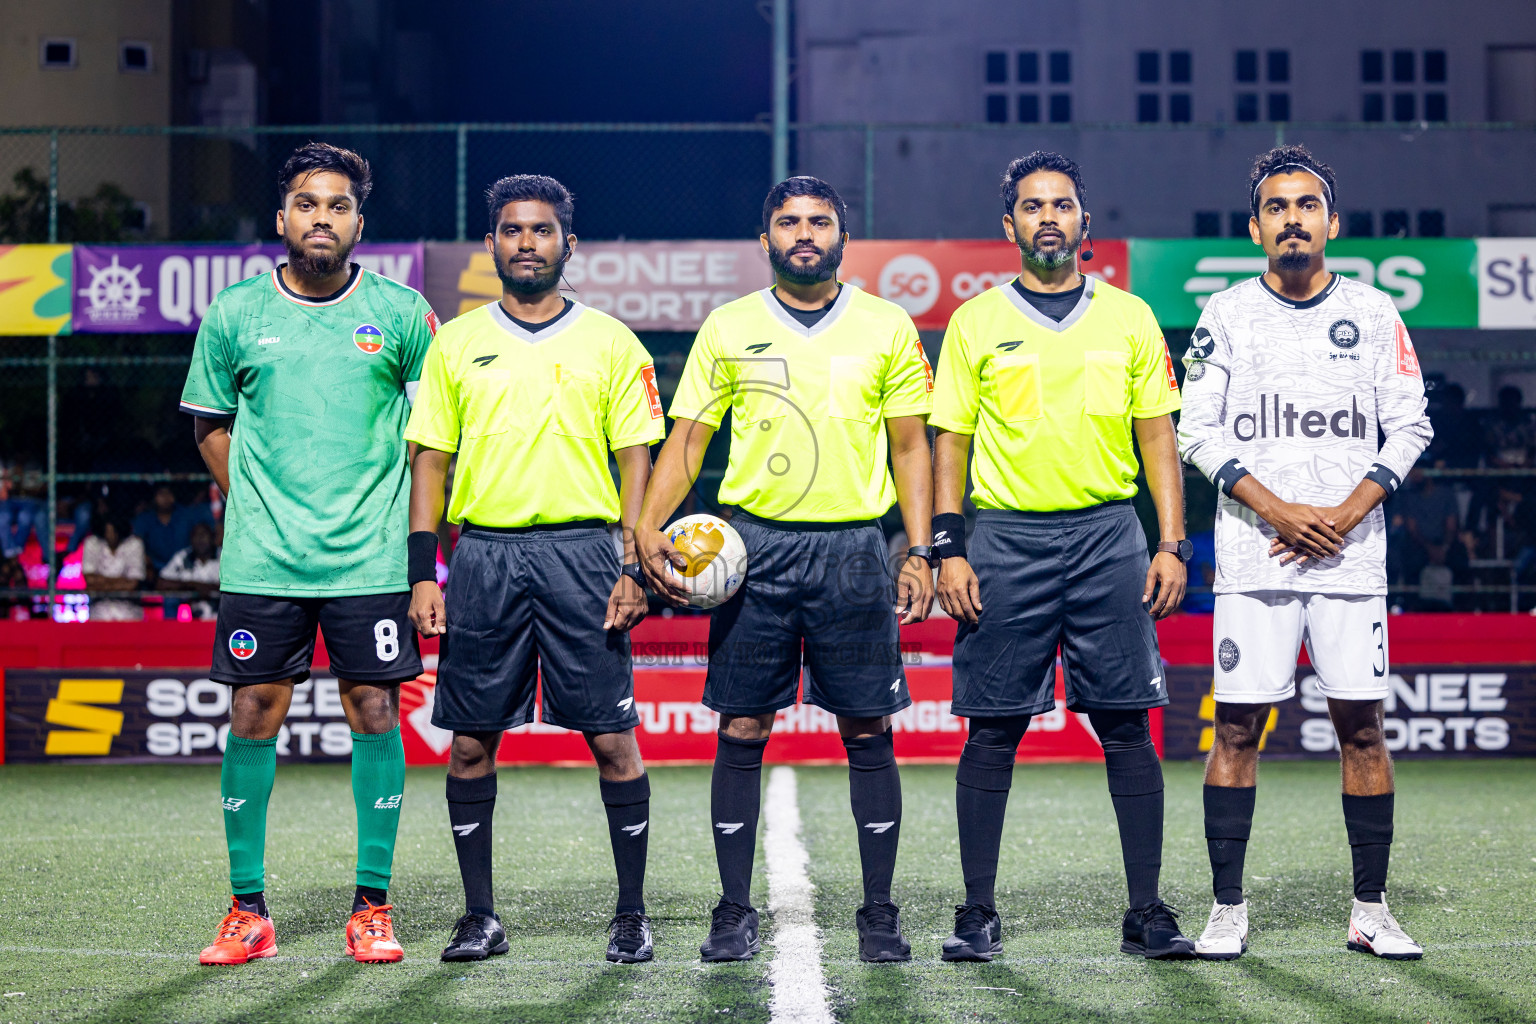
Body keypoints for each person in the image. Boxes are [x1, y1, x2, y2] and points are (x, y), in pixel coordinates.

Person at [636, 175, 936, 964]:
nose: (805, 233)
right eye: (790, 222)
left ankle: (879, 912)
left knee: (867, 729)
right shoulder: (730, 325)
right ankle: (733, 909)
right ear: (764, 238)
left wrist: (919, 548)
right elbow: (689, 441)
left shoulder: (886, 324)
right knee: (742, 727)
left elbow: (911, 445)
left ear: (843, 237)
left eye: (820, 221)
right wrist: (645, 529)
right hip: (753, 552)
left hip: (854, 552)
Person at [930, 151, 1192, 963]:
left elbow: (1159, 438)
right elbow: (950, 441)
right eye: (1033, 206)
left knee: (1126, 724)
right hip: (1005, 539)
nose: (1049, 217)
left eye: (1063, 204)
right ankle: (977, 912)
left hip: (1109, 536)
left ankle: (1146, 910)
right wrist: (949, 546)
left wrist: (1171, 542)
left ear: (1085, 221)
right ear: (1008, 225)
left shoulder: (1131, 317)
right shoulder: (976, 321)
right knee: (993, 730)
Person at [181, 142, 439, 966]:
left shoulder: (403, 313)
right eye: (306, 203)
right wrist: (259, 504)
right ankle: (247, 910)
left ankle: (373, 906)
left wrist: (418, 550)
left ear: (359, 223)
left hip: (370, 559)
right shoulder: (235, 313)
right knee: (253, 713)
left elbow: (434, 438)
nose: (321, 217)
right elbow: (209, 426)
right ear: (281, 218)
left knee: (375, 713)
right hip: (265, 561)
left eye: (337, 205)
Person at [1177, 145, 1432, 961]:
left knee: (1363, 729)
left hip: (1351, 561)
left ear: (1332, 222)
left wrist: (1347, 513)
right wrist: (1279, 511)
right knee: (1236, 729)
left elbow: (1412, 425)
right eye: (1277, 207)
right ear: (1256, 228)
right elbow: (1195, 431)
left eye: (1307, 205)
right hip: (1256, 559)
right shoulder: (1225, 314)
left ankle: (1371, 910)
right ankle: (1227, 908)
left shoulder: (1376, 312)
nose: (1293, 219)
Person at [405, 175, 664, 965]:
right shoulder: (455, 342)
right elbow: (430, 462)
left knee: (613, 741)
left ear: (567, 244)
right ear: (492, 243)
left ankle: (631, 914)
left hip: (584, 554)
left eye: (542, 230)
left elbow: (637, 458)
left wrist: (634, 562)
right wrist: (424, 572)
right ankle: (480, 917)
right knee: (469, 745)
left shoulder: (611, 342)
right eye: (512, 230)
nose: (526, 242)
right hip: (483, 554)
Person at [134, 485, 215, 575]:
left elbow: (210, 530)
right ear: (154, 497)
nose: (166, 498)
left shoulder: (187, 514)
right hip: (154, 569)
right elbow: (135, 544)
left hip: (185, 566)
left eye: (169, 493)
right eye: (161, 494)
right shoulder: (144, 518)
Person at [80, 511, 146, 621]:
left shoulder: (135, 544)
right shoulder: (92, 542)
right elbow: (89, 581)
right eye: (107, 531)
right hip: (99, 611)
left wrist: (100, 584)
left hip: (129, 611)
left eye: (114, 531)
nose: (111, 535)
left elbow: (133, 584)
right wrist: (122, 582)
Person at [160, 521, 222, 620]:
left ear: (212, 537)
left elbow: (236, 585)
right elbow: (162, 582)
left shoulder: (223, 557)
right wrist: (193, 585)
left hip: (218, 617)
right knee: (170, 601)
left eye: (204, 535)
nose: (200, 539)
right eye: (196, 535)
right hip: (188, 617)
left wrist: (208, 588)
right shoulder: (183, 557)